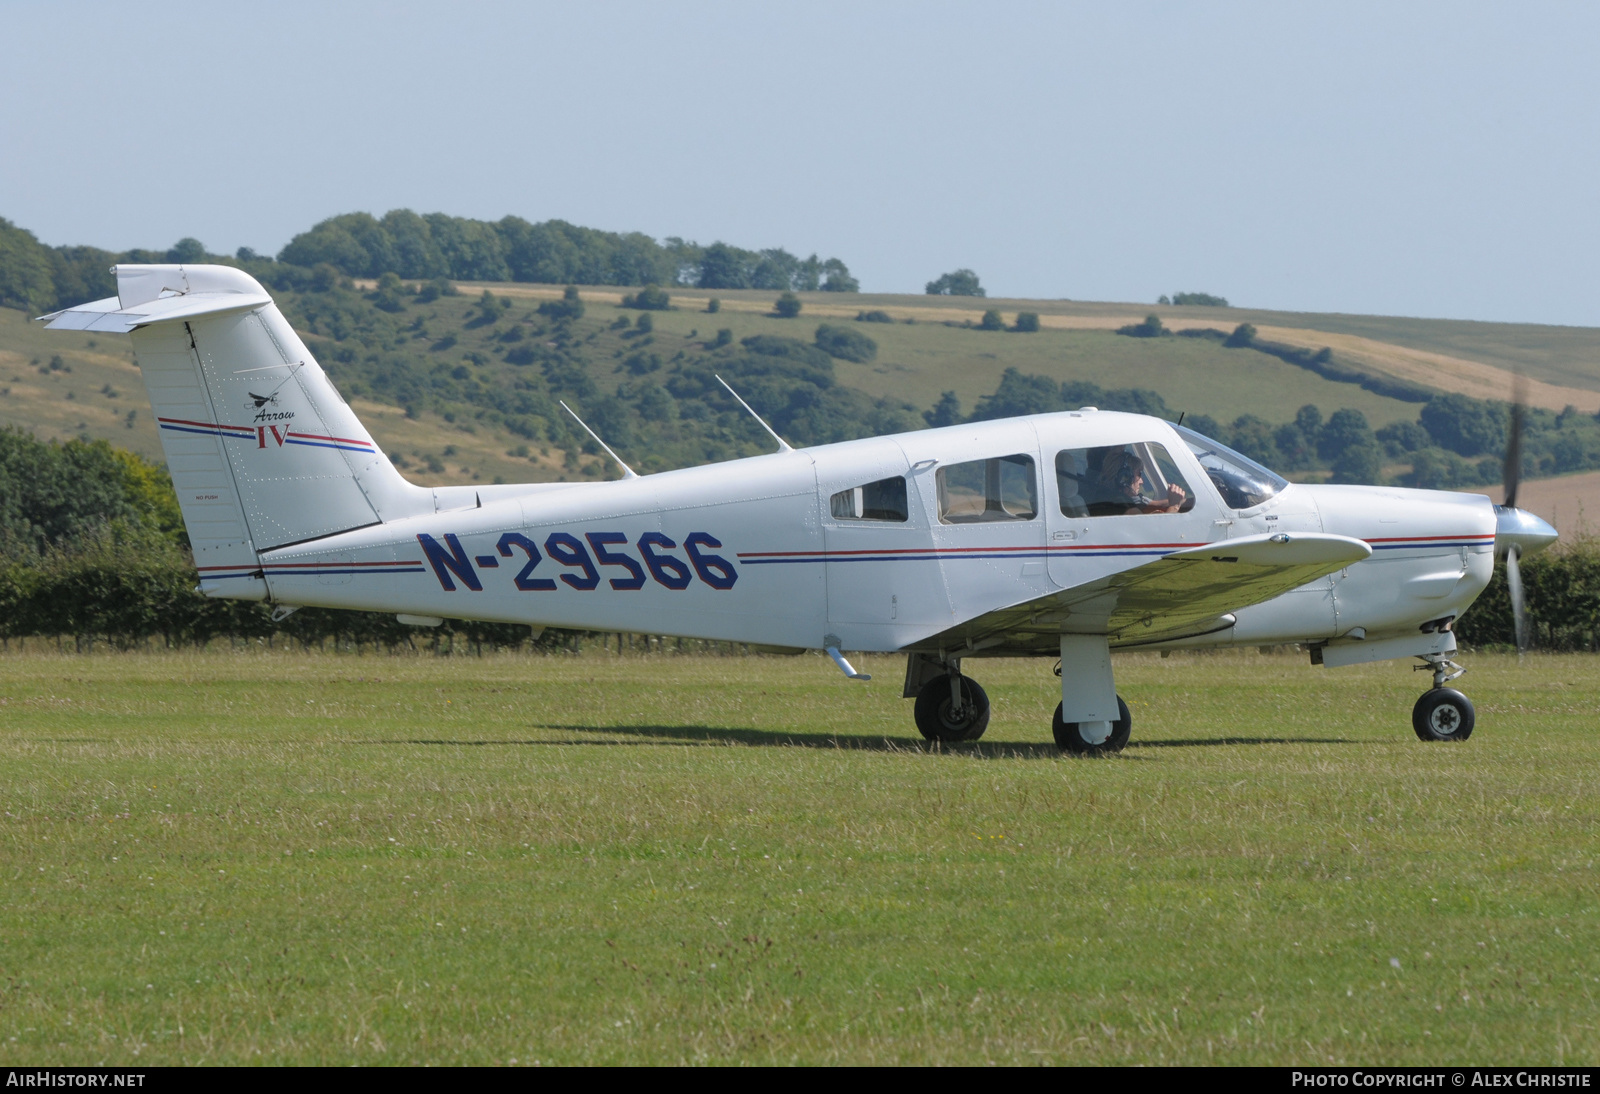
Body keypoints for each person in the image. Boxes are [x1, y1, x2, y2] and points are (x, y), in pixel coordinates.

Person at [1098, 449, 1187, 514]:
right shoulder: (1128, 509)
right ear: (1124, 477)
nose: (1141, 481)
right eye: (1139, 475)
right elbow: (1158, 535)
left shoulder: (1106, 497)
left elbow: (1153, 504)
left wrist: (1178, 500)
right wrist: (1174, 506)